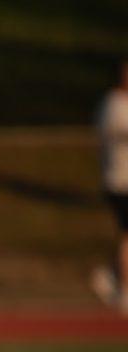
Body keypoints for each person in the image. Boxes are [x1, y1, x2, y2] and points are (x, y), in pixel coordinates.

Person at [92, 59, 128, 315]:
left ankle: (110, 276)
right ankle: (123, 287)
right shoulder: (113, 104)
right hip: (120, 180)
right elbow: (109, 134)